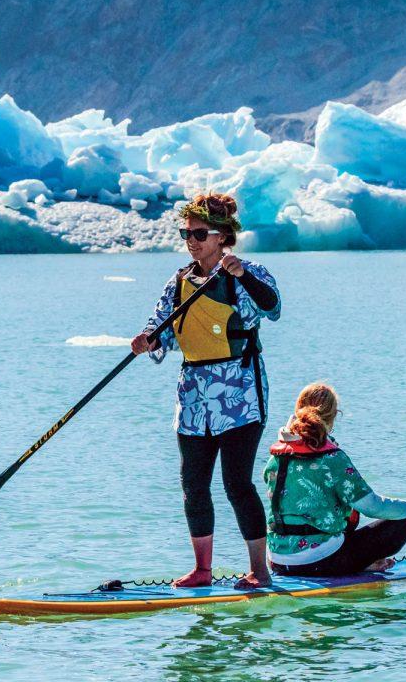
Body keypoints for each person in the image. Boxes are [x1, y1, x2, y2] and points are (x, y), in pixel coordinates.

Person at [131, 192, 281, 589]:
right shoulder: (179, 282)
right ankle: (202, 569)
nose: (191, 240)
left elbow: (273, 305)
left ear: (221, 237)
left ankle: (259, 571)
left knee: (237, 484)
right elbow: (159, 324)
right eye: (186, 233)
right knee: (193, 485)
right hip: (194, 399)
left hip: (241, 396)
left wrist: (241, 276)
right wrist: (147, 339)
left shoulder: (251, 273)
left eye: (199, 233)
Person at [263, 382, 406, 577]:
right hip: (322, 561)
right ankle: (362, 564)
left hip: (277, 561)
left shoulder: (276, 457)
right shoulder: (333, 459)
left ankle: (362, 563)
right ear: (333, 417)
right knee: (403, 521)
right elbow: (372, 506)